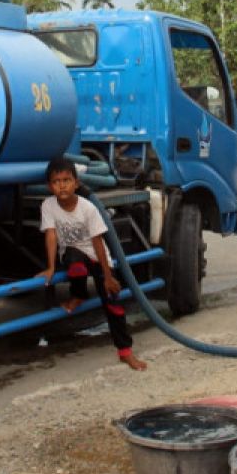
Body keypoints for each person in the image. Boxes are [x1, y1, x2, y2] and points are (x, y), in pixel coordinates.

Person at [38, 157, 146, 371]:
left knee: (113, 303)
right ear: (50, 186)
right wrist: (50, 267)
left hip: (97, 257)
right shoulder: (48, 205)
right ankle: (78, 294)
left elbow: (98, 243)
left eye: (67, 180)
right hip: (72, 255)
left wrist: (107, 276)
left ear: (76, 183)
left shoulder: (88, 208)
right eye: (57, 181)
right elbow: (50, 236)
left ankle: (125, 352)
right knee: (74, 261)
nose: (62, 185)